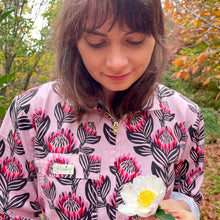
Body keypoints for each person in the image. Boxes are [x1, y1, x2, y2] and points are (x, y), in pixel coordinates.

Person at [0, 0, 205, 219]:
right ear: (74, 41)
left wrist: (185, 209)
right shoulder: (30, 112)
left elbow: (186, 193)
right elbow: (11, 209)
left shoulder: (184, 116)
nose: (116, 62)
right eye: (96, 42)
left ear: (156, 38)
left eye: (134, 41)